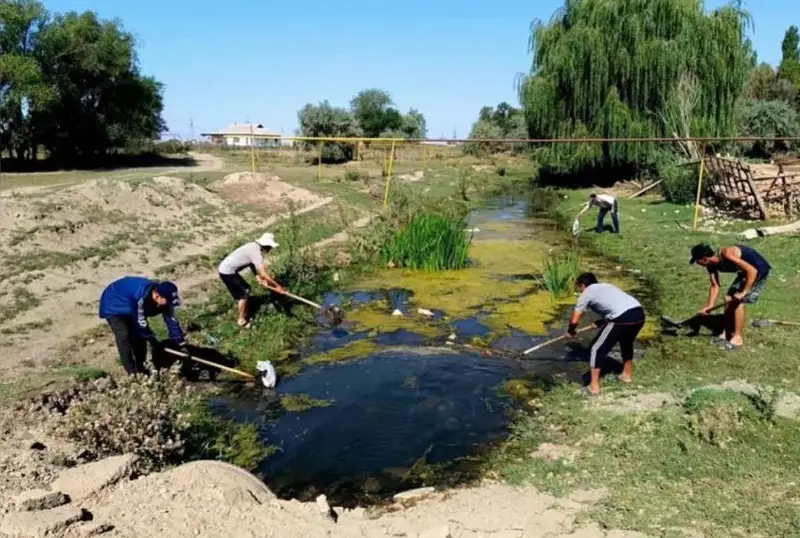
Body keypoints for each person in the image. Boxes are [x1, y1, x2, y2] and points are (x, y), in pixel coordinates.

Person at [566, 272, 646, 395]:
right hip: (639, 314)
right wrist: (601, 322)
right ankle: (626, 375)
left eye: (579, 287)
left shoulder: (586, 293)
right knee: (626, 343)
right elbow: (617, 305)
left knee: (596, 348)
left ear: (582, 285)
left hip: (622, 319)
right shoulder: (607, 286)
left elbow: (575, 319)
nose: (580, 290)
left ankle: (594, 387)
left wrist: (571, 331)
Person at [689, 243, 771, 351]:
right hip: (745, 272)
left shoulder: (727, 253)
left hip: (758, 271)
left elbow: (752, 271)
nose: (697, 264)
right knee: (728, 299)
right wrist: (709, 306)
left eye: (696, 260)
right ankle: (727, 333)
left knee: (738, 302)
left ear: (704, 258)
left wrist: (744, 292)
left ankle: (738, 338)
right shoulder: (710, 265)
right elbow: (715, 285)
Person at [99, 277, 187, 375]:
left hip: (130, 305)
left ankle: (141, 366)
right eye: (168, 301)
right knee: (124, 336)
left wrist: (181, 343)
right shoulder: (140, 297)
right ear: (158, 296)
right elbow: (141, 322)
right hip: (113, 303)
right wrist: (152, 340)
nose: (170, 304)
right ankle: (132, 372)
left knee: (138, 337)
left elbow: (171, 320)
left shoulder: (164, 299)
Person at [218, 232, 284, 328]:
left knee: (247, 289)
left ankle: (245, 309)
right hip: (227, 272)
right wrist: (277, 286)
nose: (270, 249)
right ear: (266, 245)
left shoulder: (253, 246)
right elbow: (264, 273)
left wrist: (257, 277)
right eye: (270, 247)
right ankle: (241, 320)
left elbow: (251, 263)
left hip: (228, 268)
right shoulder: (257, 253)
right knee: (243, 295)